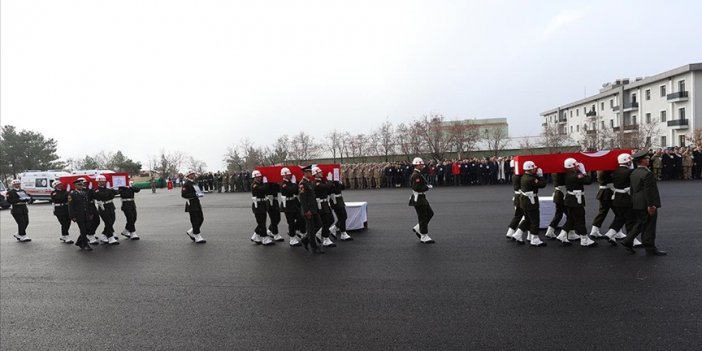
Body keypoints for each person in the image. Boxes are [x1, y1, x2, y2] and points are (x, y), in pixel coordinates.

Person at [621, 151, 667, 256]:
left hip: (637, 202)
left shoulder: (634, 172)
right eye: (646, 158)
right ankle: (650, 248)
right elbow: (649, 191)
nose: (648, 159)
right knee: (649, 226)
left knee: (641, 223)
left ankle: (628, 241)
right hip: (646, 203)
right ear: (642, 160)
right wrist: (651, 205)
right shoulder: (647, 173)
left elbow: (633, 189)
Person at [602, 153, 640, 246]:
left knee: (620, 217)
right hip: (626, 198)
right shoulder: (629, 172)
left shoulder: (615, 171)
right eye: (630, 160)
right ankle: (632, 239)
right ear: (627, 161)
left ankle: (610, 233)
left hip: (617, 198)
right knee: (630, 219)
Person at [561, 158, 597, 247]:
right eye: (576, 165)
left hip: (571, 200)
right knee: (580, 219)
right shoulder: (575, 176)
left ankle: (562, 235)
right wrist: (584, 172)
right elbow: (588, 181)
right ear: (571, 167)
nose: (578, 166)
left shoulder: (569, 174)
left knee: (572, 219)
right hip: (575, 201)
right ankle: (584, 239)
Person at [518, 161, 547, 247]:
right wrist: (541, 176)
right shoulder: (531, 179)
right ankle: (534, 239)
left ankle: (518, 234)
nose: (535, 168)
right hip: (531, 201)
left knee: (527, 219)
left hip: (525, 200)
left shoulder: (524, 176)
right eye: (533, 168)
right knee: (534, 219)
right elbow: (542, 185)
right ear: (530, 169)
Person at [409, 157, 435, 244]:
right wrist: (427, 187)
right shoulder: (416, 175)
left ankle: (418, 227)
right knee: (423, 217)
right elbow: (416, 187)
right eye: (421, 164)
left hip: (421, 198)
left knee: (430, 213)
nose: (422, 166)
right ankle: (424, 235)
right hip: (418, 199)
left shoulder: (418, 173)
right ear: (417, 165)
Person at [299, 165, 324, 254]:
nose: (311, 173)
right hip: (308, 210)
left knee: (319, 224)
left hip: (313, 209)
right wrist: (306, 211)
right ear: (305, 173)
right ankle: (314, 247)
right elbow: (302, 199)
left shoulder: (309, 182)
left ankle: (306, 239)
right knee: (311, 228)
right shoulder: (302, 183)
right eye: (309, 172)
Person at [280, 167, 304, 247]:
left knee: (301, 218)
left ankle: (295, 231)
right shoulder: (283, 184)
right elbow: (292, 190)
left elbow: (296, 192)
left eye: (290, 174)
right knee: (291, 222)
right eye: (288, 175)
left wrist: (296, 183)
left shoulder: (290, 182)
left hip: (293, 203)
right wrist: (294, 183)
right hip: (287, 205)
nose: (290, 176)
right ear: (284, 175)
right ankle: (292, 239)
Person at [68, 178, 93, 251]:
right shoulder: (72, 194)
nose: (81, 186)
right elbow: (71, 206)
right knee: (83, 230)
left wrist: (90, 213)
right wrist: (72, 216)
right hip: (79, 215)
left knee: (88, 228)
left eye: (82, 184)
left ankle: (79, 241)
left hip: (86, 214)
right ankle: (85, 244)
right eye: (79, 184)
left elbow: (88, 204)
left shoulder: (84, 192)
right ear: (75, 185)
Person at [182, 170, 206, 243]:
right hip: (191, 203)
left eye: (193, 174)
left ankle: (192, 231)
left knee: (201, 218)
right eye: (191, 174)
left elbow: (196, 191)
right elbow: (183, 195)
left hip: (196, 202)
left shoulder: (193, 182)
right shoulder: (186, 183)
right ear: (188, 175)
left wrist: (200, 193)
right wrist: (194, 195)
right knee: (195, 219)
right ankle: (197, 235)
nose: (193, 175)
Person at [93, 175, 119, 245]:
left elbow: (114, 194)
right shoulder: (96, 189)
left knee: (112, 221)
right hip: (103, 208)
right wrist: (109, 190)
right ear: (98, 182)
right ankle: (110, 238)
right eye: (101, 181)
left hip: (110, 206)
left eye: (104, 181)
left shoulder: (107, 188)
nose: (103, 182)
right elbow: (103, 195)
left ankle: (104, 234)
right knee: (108, 222)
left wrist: (110, 189)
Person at [314, 167, 336, 248]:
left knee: (331, 220)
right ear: (315, 174)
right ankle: (325, 239)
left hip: (325, 204)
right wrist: (329, 181)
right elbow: (325, 187)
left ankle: (321, 233)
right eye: (320, 172)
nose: (322, 173)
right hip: (320, 205)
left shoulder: (321, 182)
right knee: (326, 221)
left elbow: (328, 189)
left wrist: (333, 182)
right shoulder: (316, 183)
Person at [250, 170, 274, 246]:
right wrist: (266, 183)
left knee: (261, 222)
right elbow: (264, 189)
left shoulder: (260, 184)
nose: (259, 178)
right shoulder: (254, 185)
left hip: (262, 204)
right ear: (254, 177)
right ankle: (264, 238)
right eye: (257, 177)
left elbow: (266, 190)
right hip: (258, 205)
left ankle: (255, 236)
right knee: (262, 222)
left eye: (260, 176)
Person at [589, 170, 614, 239]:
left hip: (605, 192)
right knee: (619, 213)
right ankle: (615, 231)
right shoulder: (605, 170)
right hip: (608, 193)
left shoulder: (600, 169)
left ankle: (595, 230)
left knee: (603, 212)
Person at [329, 175, 352, 241]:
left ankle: (334, 228)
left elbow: (343, 188)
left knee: (344, 216)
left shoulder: (336, 182)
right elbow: (332, 190)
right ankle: (343, 233)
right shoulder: (329, 183)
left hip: (340, 200)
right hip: (334, 201)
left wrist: (340, 181)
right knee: (342, 216)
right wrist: (332, 181)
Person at [545, 172, 567, 240]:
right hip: (563, 195)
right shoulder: (560, 173)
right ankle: (566, 233)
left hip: (558, 194)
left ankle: (550, 230)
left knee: (559, 214)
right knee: (570, 215)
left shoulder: (554, 172)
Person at [505, 168, 523, 240]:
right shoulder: (519, 176)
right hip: (521, 197)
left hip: (517, 196)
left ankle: (510, 232)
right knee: (528, 217)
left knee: (518, 215)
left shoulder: (514, 175)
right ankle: (527, 235)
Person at [265, 176, 283, 242]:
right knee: (273, 218)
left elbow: (280, 190)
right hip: (270, 201)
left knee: (278, 218)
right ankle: (275, 234)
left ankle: (270, 230)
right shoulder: (267, 184)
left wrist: (279, 184)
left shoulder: (274, 183)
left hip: (275, 201)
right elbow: (267, 190)